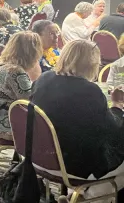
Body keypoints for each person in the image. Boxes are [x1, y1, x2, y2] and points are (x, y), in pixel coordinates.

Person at [31, 40, 124, 185]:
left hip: (40, 155)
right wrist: (117, 105)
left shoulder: (43, 79)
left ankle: (80, 198)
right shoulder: (89, 91)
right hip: (74, 165)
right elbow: (112, 131)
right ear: (91, 63)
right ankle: (88, 198)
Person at [0, 32, 43, 140]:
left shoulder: (0, 65)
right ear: (32, 53)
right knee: (54, 132)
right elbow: (31, 100)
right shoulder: (16, 71)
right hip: (10, 126)